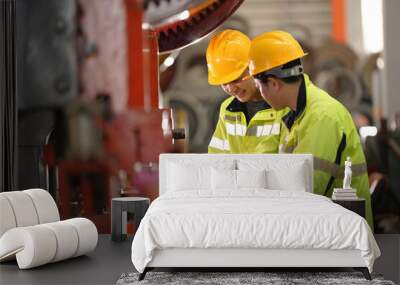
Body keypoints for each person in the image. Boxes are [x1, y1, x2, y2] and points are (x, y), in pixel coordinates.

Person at [247, 30, 373, 229]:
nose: (260, 94)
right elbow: (263, 161)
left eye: (258, 85)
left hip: (340, 234)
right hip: (317, 226)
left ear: (273, 83)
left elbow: (308, 189)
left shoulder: (323, 117)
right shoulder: (290, 113)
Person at [206, 29, 286, 154]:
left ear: (254, 67)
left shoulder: (283, 107)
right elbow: (217, 160)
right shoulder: (227, 109)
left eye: (236, 80)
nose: (231, 89)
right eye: (224, 83)